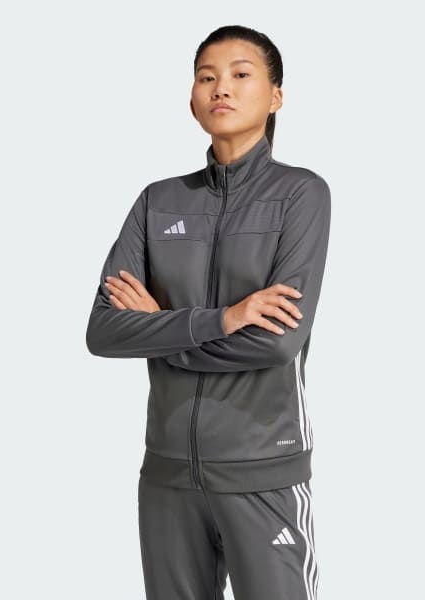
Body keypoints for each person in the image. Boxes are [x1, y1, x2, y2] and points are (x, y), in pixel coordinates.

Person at [86, 24, 331, 600]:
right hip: (167, 474)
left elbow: (277, 342)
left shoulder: (301, 195)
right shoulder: (158, 201)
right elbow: (104, 331)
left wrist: (158, 329)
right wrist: (224, 318)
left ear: (275, 96)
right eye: (206, 77)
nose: (221, 87)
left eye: (241, 74)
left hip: (262, 472)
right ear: (192, 99)